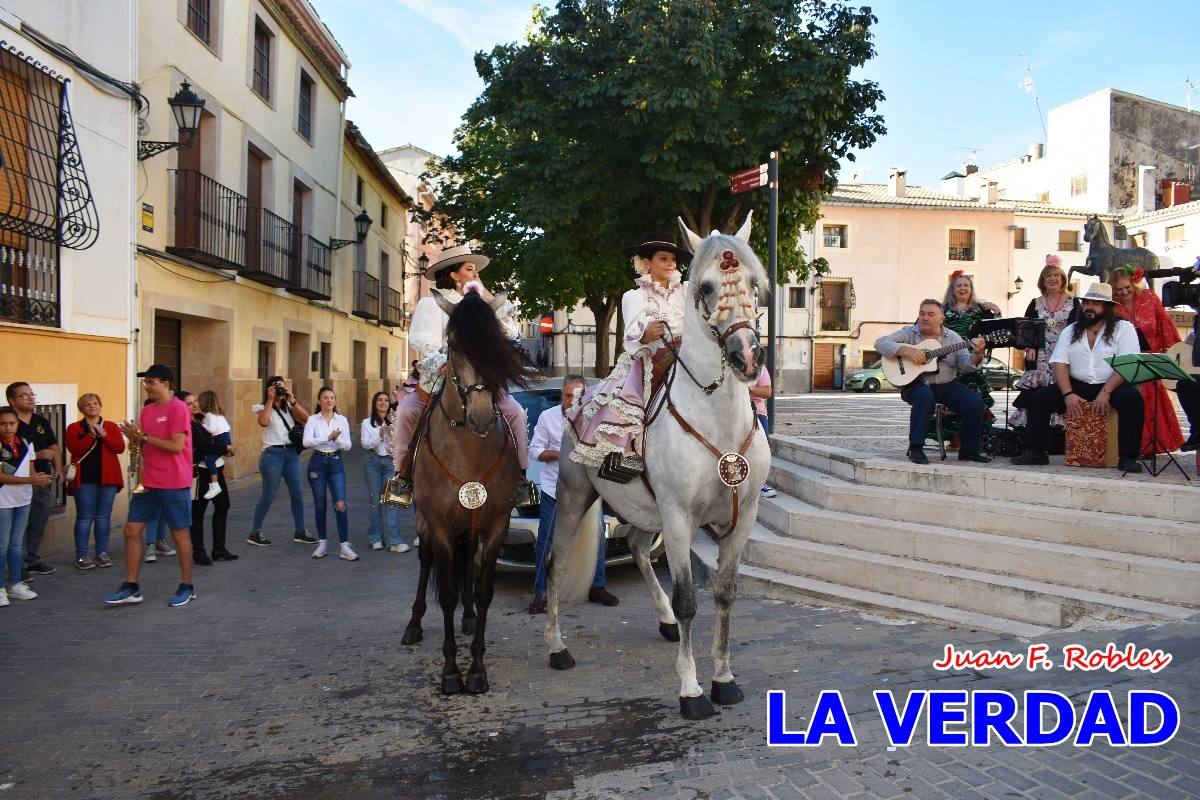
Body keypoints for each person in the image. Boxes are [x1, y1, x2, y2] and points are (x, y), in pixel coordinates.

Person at [390, 245, 535, 507]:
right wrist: (445, 363)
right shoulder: (431, 302)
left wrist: (491, 301)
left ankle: (521, 479)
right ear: (455, 274)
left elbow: (511, 335)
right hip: (442, 379)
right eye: (470, 269)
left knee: (514, 411)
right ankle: (403, 479)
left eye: (476, 270)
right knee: (405, 413)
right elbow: (423, 342)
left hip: (480, 380)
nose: (476, 274)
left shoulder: (482, 306)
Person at [569, 232, 693, 471]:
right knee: (629, 409)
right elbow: (632, 336)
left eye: (673, 260)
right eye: (664, 258)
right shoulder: (634, 296)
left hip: (689, 356)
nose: (671, 264)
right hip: (653, 359)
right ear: (647, 263)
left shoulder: (686, 291)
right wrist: (646, 335)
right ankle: (632, 455)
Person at [1011, 284, 1144, 472]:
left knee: (1133, 398)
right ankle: (1036, 451)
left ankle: (1128, 457)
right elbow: (1059, 364)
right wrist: (1068, 394)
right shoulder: (1071, 330)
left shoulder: (1124, 328)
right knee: (1038, 398)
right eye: (1086, 303)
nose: (1089, 307)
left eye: (1096, 303)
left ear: (1107, 308)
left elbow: (1127, 364)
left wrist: (1106, 392)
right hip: (1077, 385)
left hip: (1112, 384)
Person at [105, 365, 197, 607]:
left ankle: (187, 585)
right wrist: (134, 438)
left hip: (174, 481)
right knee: (131, 530)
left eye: (151, 382)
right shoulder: (147, 411)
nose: (146, 385)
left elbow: (176, 446)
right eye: (145, 382)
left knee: (179, 534)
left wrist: (142, 437)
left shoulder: (178, 408)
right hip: (149, 481)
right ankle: (132, 585)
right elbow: (145, 444)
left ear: (166, 384)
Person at [528, 375, 618, 614]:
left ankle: (597, 586)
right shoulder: (547, 417)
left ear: (586, 395)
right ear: (561, 395)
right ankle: (540, 592)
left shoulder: (596, 417)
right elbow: (535, 451)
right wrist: (565, 457)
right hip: (555, 489)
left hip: (589, 490)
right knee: (546, 540)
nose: (572, 400)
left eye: (578, 395)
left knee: (597, 538)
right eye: (568, 395)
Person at [874, 300, 990, 465]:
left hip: (947, 385)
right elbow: (880, 343)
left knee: (975, 402)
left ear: (941, 319)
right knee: (924, 396)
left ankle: (969, 451)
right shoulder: (909, 333)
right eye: (922, 314)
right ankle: (916, 448)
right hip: (914, 385)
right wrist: (907, 350)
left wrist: (977, 354)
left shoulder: (953, 338)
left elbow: (967, 364)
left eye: (930, 314)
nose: (925, 318)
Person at [1107, 267, 1184, 455]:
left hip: (1152, 356)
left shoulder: (1149, 297)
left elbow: (1164, 323)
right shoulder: (1112, 307)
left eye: (1127, 287)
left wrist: (1171, 354)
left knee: (1153, 403)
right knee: (1135, 401)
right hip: (1128, 359)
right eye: (1119, 290)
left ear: (1133, 284)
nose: (1124, 292)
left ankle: (1153, 447)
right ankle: (1135, 446)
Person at [1010, 256, 1078, 446]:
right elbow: (1025, 329)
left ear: (1063, 279)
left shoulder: (1074, 303)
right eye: (1048, 276)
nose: (1053, 279)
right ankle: (1035, 439)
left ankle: (1057, 441)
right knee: (1037, 395)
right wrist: (1029, 346)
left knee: (1058, 393)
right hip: (1039, 356)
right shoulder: (1035, 303)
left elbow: (1078, 330)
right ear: (1043, 281)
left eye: (1056, 275)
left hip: (1064, 357)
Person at [934, 271, 1000, 446]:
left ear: (971, 289)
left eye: (966, 285)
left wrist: (997, 310)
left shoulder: (980, 310)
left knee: (973, 397)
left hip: (971, 358)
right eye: (959, 285)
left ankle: (970, 440)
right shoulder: (943, 310)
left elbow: (995, 331)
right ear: (952, 289)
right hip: (947, 360)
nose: (963, 288)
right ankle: (954, 439)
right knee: (950, 401)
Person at [247, 376, 312, 547]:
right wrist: (270, 399)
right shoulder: (262, 407)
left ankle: (300, 531)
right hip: (272, 454)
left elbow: (307, 419)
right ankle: (255, 532)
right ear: (269, 389)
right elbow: (263, 421)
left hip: (291, 454)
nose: (279, 390)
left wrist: (293, 400)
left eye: (282, 387)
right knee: (269, 494)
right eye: (276, 388)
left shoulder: (288, 408)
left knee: (297, 492)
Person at [5, 382, 60, 577]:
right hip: (13, 486)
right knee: (15, 530)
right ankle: (16, 569)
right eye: (24, 395)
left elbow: (53, 447)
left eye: (32, 394)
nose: (31, 398)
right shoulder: (7, 424)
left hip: (40, 482)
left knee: (39, 521)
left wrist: (59, 469)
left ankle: (33, 560)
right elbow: (11, 458)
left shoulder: (40, 421)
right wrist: (38, 454)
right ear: (12, 400)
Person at [65, 394, 125, 570]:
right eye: (87, 404)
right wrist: (91, 436)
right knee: (85, 517)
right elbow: (74, 448)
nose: (92, 406)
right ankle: (82, 555)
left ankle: (101, 553)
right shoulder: (74, 428)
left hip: (107, 479)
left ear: (100, 406)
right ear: (81, 408)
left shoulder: (111, 426)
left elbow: (119, 448)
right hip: (85, 479)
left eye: (95, 403)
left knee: (103, 517)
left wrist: (104, 435)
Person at [179, 391, 237, 565]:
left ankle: (219, 548)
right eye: (189, 403)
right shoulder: (186, 424)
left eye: (195, 400)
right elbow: (203, 446)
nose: (194, 404)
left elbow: (212, 441)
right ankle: (198, 551)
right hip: (200, 471)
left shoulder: (200, 418)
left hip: (216, 469)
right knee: (198, 512)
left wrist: (223, 447)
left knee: (223, 505)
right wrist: (226, 448)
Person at [0, 405, 49, 604]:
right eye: (3, 424)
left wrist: (41, 478)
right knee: (2, 546)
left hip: (23, 499)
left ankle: (15, 583)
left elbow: (30, 470)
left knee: (16, 545)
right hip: (3, 501)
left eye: (11, 423)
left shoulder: (24, 443)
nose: (8, 428)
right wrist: (30, 481)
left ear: (17, 424)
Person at [302, 387, 356, 561]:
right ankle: (323, 543)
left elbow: (347, 446)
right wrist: (327, 437)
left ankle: (344, 545)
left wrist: (336, 438)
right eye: (325, 398)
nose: (329, 400)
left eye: (332, 397)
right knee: (320, 505)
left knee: (340, 504)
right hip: (317, 462)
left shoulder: (342, 420)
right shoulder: (312, 419)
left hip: (335, 462)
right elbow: (307, 441)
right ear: (319, 401)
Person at [361, 391, 407, 553]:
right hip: (372, 463)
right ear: (375, 403)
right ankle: (376, 538)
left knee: (393, 501)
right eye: (379, 400)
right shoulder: (367, 423)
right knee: (375, 502)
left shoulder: (395, 420)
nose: (383, 402)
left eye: (386, 400)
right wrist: (380, 435)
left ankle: (394, 541)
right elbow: (365, 444)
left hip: (390, 464)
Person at [197, 391, 231, 500]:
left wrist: (202, 425)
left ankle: (215, 484)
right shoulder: (217, 414)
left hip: (221, 440)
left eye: (198, 401)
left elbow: (212, 429)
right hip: (223, 439)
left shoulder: (209, 415)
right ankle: (215, 484)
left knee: (209, 459)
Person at [749, 363, 777, 498]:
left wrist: (750, 389)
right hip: (733, 412)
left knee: (762, 448)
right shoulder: (728, 364)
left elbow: (767, 392)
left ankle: (761, 483)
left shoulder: (759, 368)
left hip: (757, 412)